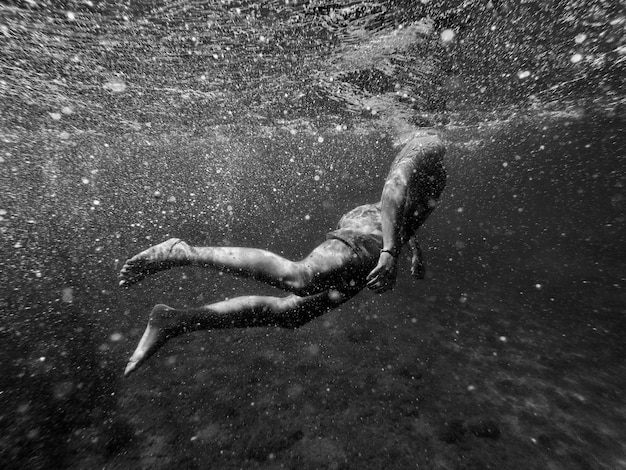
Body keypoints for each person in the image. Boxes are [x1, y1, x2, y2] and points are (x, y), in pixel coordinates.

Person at [119, 129, 447, 377]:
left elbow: (406, 204)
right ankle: (182, 252)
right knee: (299, 277)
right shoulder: (431, 141)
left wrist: (411, 247)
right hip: (370, 235)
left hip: (376, 239)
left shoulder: (428, 144)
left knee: (291, 314)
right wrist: (390, 251)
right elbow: (393, 190)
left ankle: (175, 321)